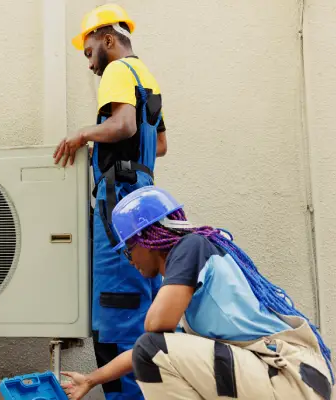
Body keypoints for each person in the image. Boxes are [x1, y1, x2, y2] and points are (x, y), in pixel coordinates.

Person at [61, 186, 334, 400]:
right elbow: (145, 352)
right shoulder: (198, 279)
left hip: (287, 376)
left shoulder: (191, 247)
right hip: (287, 375)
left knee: (153, 349)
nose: (129, 259)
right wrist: (91, 379)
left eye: (128, 248)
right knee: (157, 352)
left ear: (147, 238)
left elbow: (153, 330)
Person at [53, 4, 168, 399]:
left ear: (107, 39)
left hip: (119, 198)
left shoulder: (118, 70)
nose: (89, 65)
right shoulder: (146, 75)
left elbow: (124, 125)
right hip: (145, 198)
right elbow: (161, 144)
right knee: (142, 304)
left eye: (88, 52)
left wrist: (82, 134)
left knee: (116, 311)